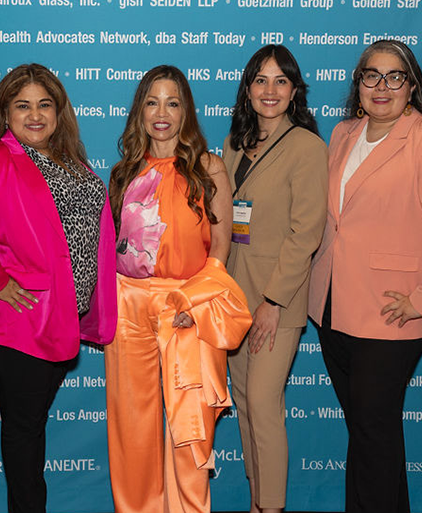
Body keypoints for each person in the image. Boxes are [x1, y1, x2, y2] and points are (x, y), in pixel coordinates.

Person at [0, 64, 117, 513]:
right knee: (25, 428)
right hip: (19, 323)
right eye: (22, 106)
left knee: (29, 426)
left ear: (59, 112)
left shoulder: (72, 162)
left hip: (60, 321)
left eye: (44, 105)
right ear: (6, 113)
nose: (34, 115)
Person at [307, 40, 422, 513]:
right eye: (370, 76)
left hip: (389, 314)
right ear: (357, 83)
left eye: (394, 76)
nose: (381, 87)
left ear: (412, 84)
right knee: (364, 435)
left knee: (373, 434)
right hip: (333, 309)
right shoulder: (342, 133)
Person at [105, 65, 252, 513]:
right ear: (139, 111)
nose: (162, 113)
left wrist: (195, 303)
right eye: (152, 102)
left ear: (186, 110)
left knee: (190, 430)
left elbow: (221, 252)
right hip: (128, 308)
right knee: (133, 430)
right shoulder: (123, 172)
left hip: (188, 307)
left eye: (173, 102)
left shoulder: (209, 167)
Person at [223, 45, 328, 513]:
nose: (270, 90)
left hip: (275, 303)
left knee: (264, 407)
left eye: (280, 81)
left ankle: (273, 507)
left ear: (294, 91)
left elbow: (306, 231)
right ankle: (256, 500)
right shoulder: (233, 144)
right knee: (245, 405)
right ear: (248, 89)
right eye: (260, 80)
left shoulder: (307, 147)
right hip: (231, 298)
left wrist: (273, 300)